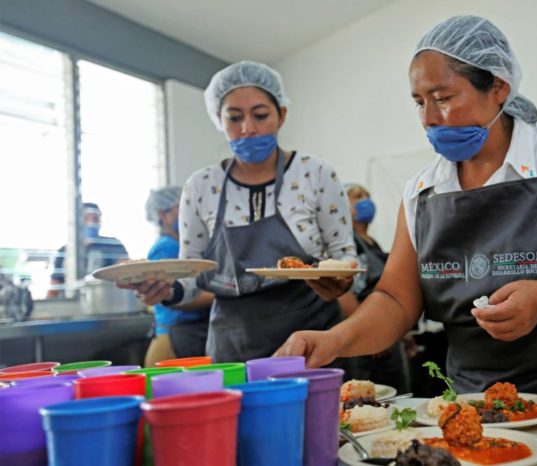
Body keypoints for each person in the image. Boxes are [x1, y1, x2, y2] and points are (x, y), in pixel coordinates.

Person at [275, 15, 537, 404]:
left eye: (443, 98)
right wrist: (336, 340)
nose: (429, 119)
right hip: (476, 409)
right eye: (419, 102)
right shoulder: (422, 193)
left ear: (499, 86)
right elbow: (396, 301)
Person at [127, 61, 357, 366]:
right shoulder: (201, 186)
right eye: (234, 118)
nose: (247, 128)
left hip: (312, 343)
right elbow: (191, 278)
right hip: (234, 348)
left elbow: (344, 258)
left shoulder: (314, 174)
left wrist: (342, 280)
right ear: (219, 120)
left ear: (282, 115)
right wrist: (164, 290)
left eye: (260, 115)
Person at [340, 183, 409, 393]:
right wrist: (369, 334)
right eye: (358, 196)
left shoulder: (372, 243)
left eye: (367, 196)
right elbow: (343, 294)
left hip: (388, 335)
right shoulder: (345, 244)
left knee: (398, 396)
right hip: (365, 341)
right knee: (369, 398)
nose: (366, 201)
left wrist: (403, 335)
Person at [143, 187, 210, 367]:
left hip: (189, 334)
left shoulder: (185, 246)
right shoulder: (165, 248)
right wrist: (220, 294)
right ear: (162, 215)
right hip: (171, 341)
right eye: (181, 208)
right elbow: (174, 296)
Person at [48, 202, 128, 298]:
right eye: (86, 218)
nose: (91, 222)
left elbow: (125, 271)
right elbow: (54, 287)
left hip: (106, 302)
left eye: (95, 218)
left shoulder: (113, 245)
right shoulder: (64, 251)